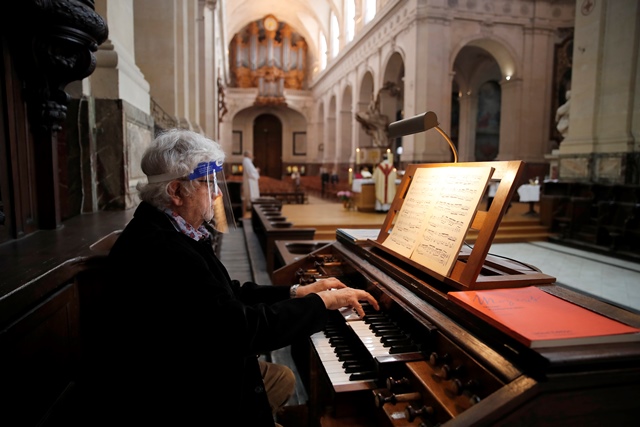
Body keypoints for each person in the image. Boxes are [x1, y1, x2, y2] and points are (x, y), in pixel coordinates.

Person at [90, 129, 378, 426]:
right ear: (176, 192)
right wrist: (320, 304)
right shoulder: (163, 251)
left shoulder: (166, 229)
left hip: (190, 363)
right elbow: (239, 330)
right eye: (208, 183)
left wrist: (296, 292)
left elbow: (228, 292)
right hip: (176, 394)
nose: (217, 193)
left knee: (283, 377)